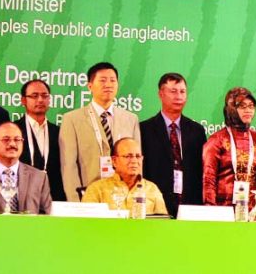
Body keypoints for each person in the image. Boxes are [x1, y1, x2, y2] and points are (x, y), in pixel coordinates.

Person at [60, 62, 141, 201]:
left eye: (112, 80)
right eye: (102, 80)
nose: (108, 85)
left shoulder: (131, 119)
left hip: (124, 198)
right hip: (89, 197)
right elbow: (69, 166)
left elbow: (137, 162)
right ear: (90, 86)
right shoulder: (72, 119)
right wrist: (77, 203)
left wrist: (136, 197)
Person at [140, 72, 206, 217]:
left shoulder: (197, 131)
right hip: (155, 206)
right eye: (173, 91)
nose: (179, 96)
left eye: (182, 92)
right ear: (161, 94)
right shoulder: (144, 129)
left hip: (190, 206)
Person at [202, 87, 256, 209]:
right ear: (231, 109)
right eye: (242, 106)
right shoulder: (217, 139)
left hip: (253, 211)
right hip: (223, 211)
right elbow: (208, 179)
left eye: (251, 106)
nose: (248, 110)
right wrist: (210, 210)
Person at [83, 137, 168, 216]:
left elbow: (163, 224)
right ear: (114, 161)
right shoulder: (96, 189)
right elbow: (86, 225)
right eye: (128, 156)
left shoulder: (152, 189)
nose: (134, 161)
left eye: (138, 156)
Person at [15, 79, 65, 201]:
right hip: (20, 196)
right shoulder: (14, 130)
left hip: (53, 198)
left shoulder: (59, 132)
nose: (40, 100)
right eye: (34, 96)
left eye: (44, 96)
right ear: (23, 100)